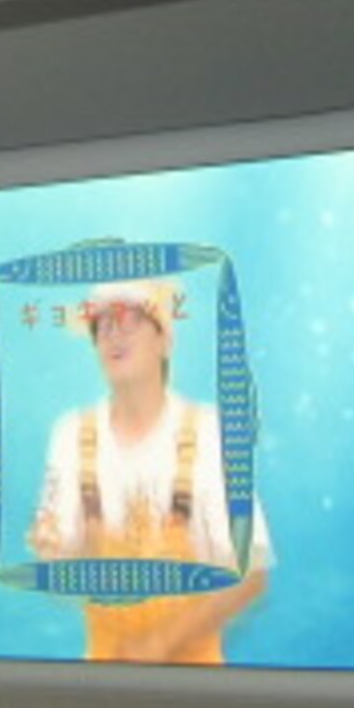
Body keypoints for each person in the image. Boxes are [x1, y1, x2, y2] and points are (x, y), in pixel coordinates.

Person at [26, 279, 270, 663]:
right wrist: (56, 555)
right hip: (103, 673)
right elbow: (57, 564)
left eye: (129, 319)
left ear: (165, 340)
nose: (113, 334)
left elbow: (251, 576)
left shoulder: (211, 432)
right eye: (102, 325)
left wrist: (158, 645)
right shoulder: (70, 435)